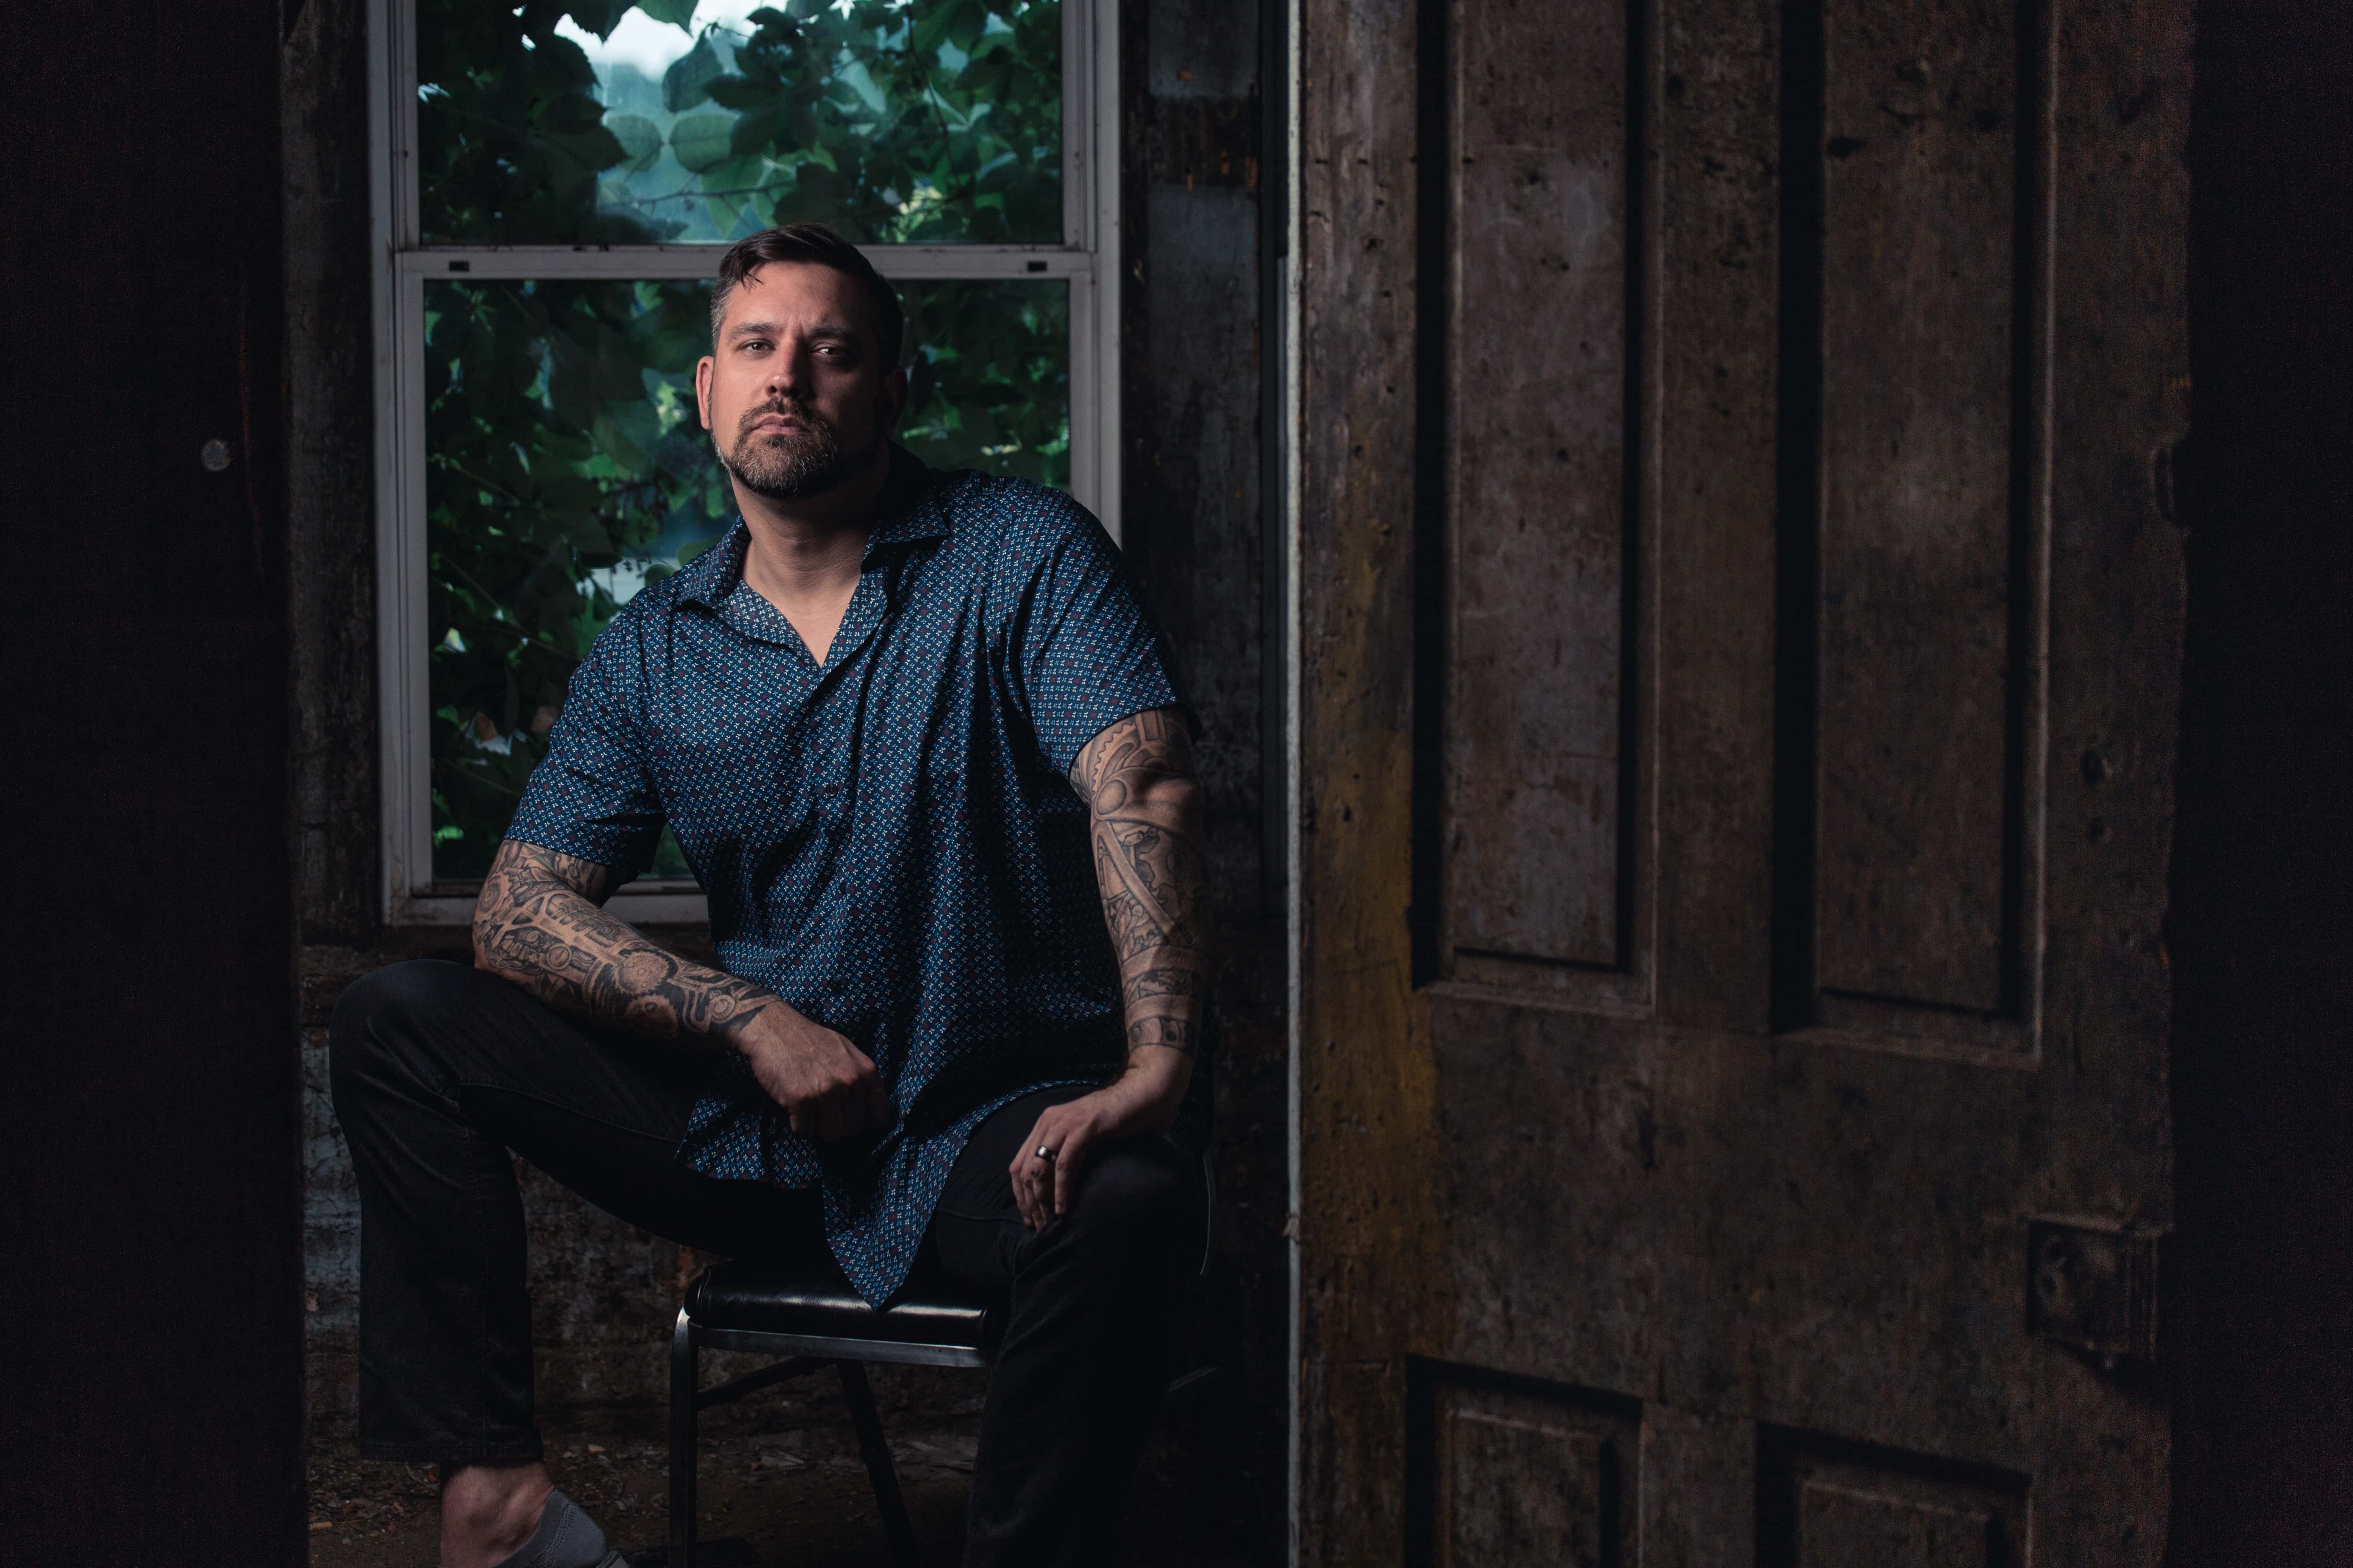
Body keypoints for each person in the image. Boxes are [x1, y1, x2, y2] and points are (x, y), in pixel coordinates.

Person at [330, 223, 1209, 1568]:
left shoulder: (1019, 551)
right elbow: (514, 910)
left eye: (830, 350)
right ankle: (502, 1508)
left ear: (891, 392)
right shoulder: (653, 649)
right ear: (707, 390)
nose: (787, 375)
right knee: (397, 1019)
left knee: (1130, 1199)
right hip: (761, 1137)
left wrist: (1152, 1071)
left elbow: (1142, 782)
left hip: (983, 1124)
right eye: (756, 346)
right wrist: (748, 1021)